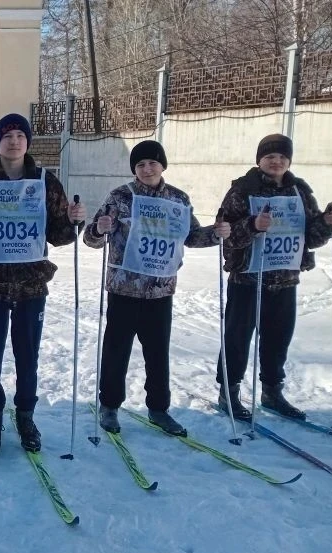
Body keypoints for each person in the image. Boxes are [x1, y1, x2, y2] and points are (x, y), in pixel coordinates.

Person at [0, 113, 85, 453]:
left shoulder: (45, 181)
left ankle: (26, 415)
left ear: (28, 142)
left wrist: (73, 221)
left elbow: (59, 234)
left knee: (28, 357)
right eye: (7, 136)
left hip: (30, 285)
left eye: (20, 136)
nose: (14, 141)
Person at [83, 141, 230, 436]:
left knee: (158, 353)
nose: (147, 169)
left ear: (162, 165)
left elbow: (191, 236)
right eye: (140, 165)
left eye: (152, 163)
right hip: (124, 288)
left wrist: (216, 234)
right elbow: (91, 238)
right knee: (116, 351)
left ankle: (159, 409)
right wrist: (99, 228)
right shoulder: (120, 196)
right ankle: (109, 405)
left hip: (160, 290)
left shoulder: (178, 199)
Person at [216, 134, 332, 421]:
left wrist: (325, 223)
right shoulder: (242, 190)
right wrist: (253, 225)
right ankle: (229, 392)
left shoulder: (299, 191)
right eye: (270, 156)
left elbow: (310, 237)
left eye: (283, 157)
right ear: (259, 159)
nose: (277, 161)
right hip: (248, 278)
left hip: (285, 278)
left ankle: (272, 391)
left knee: (277, 339)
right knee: (237, 339)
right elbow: (225, 236)